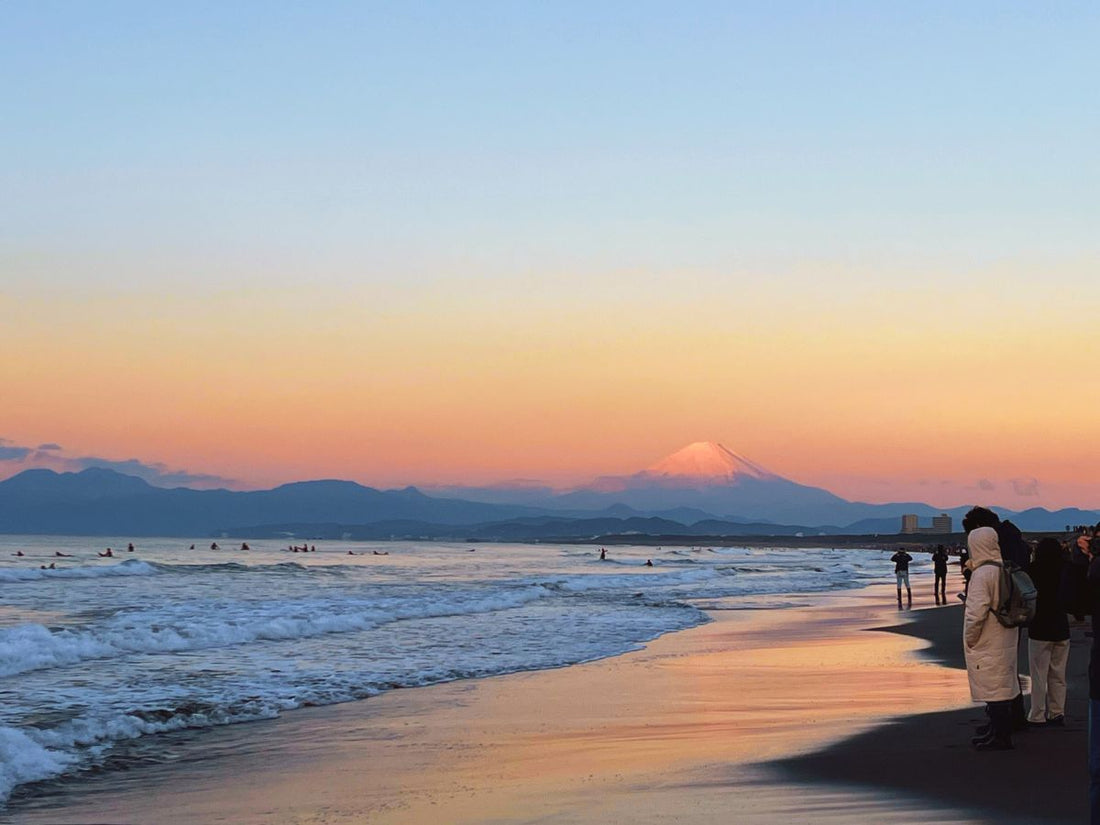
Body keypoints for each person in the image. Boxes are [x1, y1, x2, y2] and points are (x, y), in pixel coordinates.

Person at [964, 526, 1019, 750]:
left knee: (992, 687)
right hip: (1006, 633)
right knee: (1001, 685)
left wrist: (970, 637)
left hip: (988, 637)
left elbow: (975, 613)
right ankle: (998, 731)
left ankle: (1000, 736)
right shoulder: (1002, 568)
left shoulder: (981, 574)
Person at [1027, 537, 1069, 726]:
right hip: (1061, 627)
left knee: (1038, 675)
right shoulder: (1065, 568)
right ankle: (1057, 712)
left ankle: (1037, 714)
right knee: (1058, 674)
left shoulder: (1033, 570)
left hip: (1039, 627)